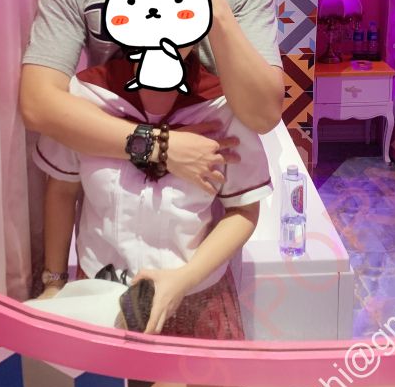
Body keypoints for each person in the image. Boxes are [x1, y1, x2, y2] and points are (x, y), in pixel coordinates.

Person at [20, 0, 284, 297]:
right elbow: (40, 108)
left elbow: (262, 118)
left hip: (198, 273)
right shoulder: (89, 90)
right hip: (102, 277)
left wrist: (214, 5)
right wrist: (161, 146)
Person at [31, 47, 272, 338]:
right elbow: (62, 189)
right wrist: (54, 283)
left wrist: (185, 278)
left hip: (195, 301)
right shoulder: (88, 94)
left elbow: (244, 208)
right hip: (98, 296)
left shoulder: (221, 105)